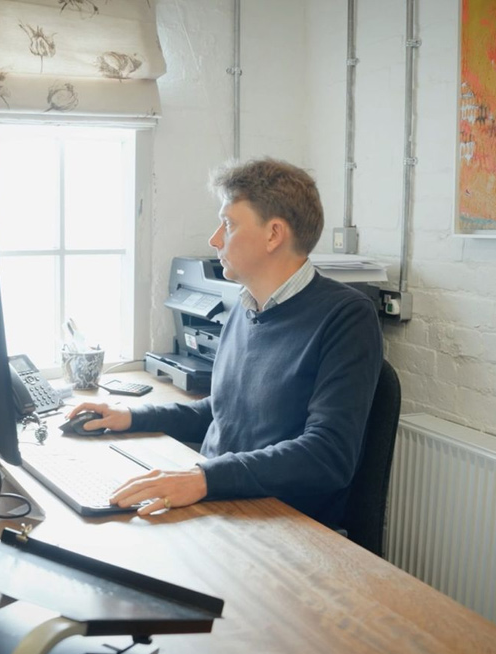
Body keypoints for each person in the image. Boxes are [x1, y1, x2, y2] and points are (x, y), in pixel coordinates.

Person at [68, 158, 383, 527]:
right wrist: (131, 416)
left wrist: (203, 479)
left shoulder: (346, 317)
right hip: (224, 501)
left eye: (229, 224)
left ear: (273, 234)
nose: (215, 239)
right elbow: (224, 412)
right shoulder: (244, 305)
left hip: (283, 524)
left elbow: (327, 455)